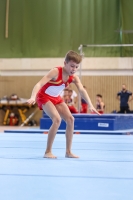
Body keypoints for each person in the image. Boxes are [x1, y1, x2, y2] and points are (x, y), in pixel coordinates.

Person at [27, 50, 100, 159]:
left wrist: (90, 104)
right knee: (57, 119)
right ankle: (48, 151)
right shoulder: (56, 72)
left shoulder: (74, 77)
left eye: (76, 67)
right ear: (65, 63)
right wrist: (33, 96)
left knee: (70, 119)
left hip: (56, 98)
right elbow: (39, 84)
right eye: (72, 66)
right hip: (43, 96)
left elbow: (81, 90)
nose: (74, 69)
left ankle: (68, 152)